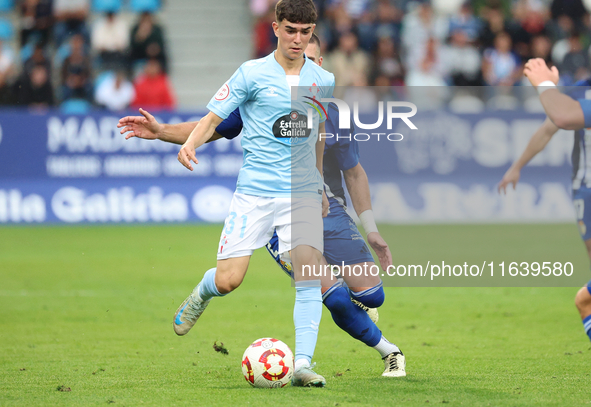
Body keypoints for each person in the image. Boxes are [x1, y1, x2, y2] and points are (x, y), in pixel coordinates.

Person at [118, 34, 406, 378]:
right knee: (325, 293)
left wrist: (370, 228)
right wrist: (162, 130)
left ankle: (318, 349)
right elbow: (209, 126)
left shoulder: (332, 110)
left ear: (320, 65)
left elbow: (354, 173)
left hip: (329, 210)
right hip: (275, 209)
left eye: (311, 62)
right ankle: (388, 352)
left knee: (373, 296)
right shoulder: (265, 96)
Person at [122, 0, 334, 387]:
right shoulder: (251, 73)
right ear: (275, 28)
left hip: (301, 193)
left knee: (309, 277)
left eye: (305, 32)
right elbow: (213, 118)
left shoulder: (323, 80)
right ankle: (201, 294)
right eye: (290, 30)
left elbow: (315, 136)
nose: (298, 39)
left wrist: (320, 183)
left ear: (313, 32)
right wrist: (188, 144)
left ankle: (303, 364)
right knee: (229, 280)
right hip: (255, 192)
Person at [501, 57, 591, 343]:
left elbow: (562, 116)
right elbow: (549, 127)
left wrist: (546, 84)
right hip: (586, 190)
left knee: (584, 300)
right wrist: (517, 166)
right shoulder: (579, 93)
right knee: (585, 300)